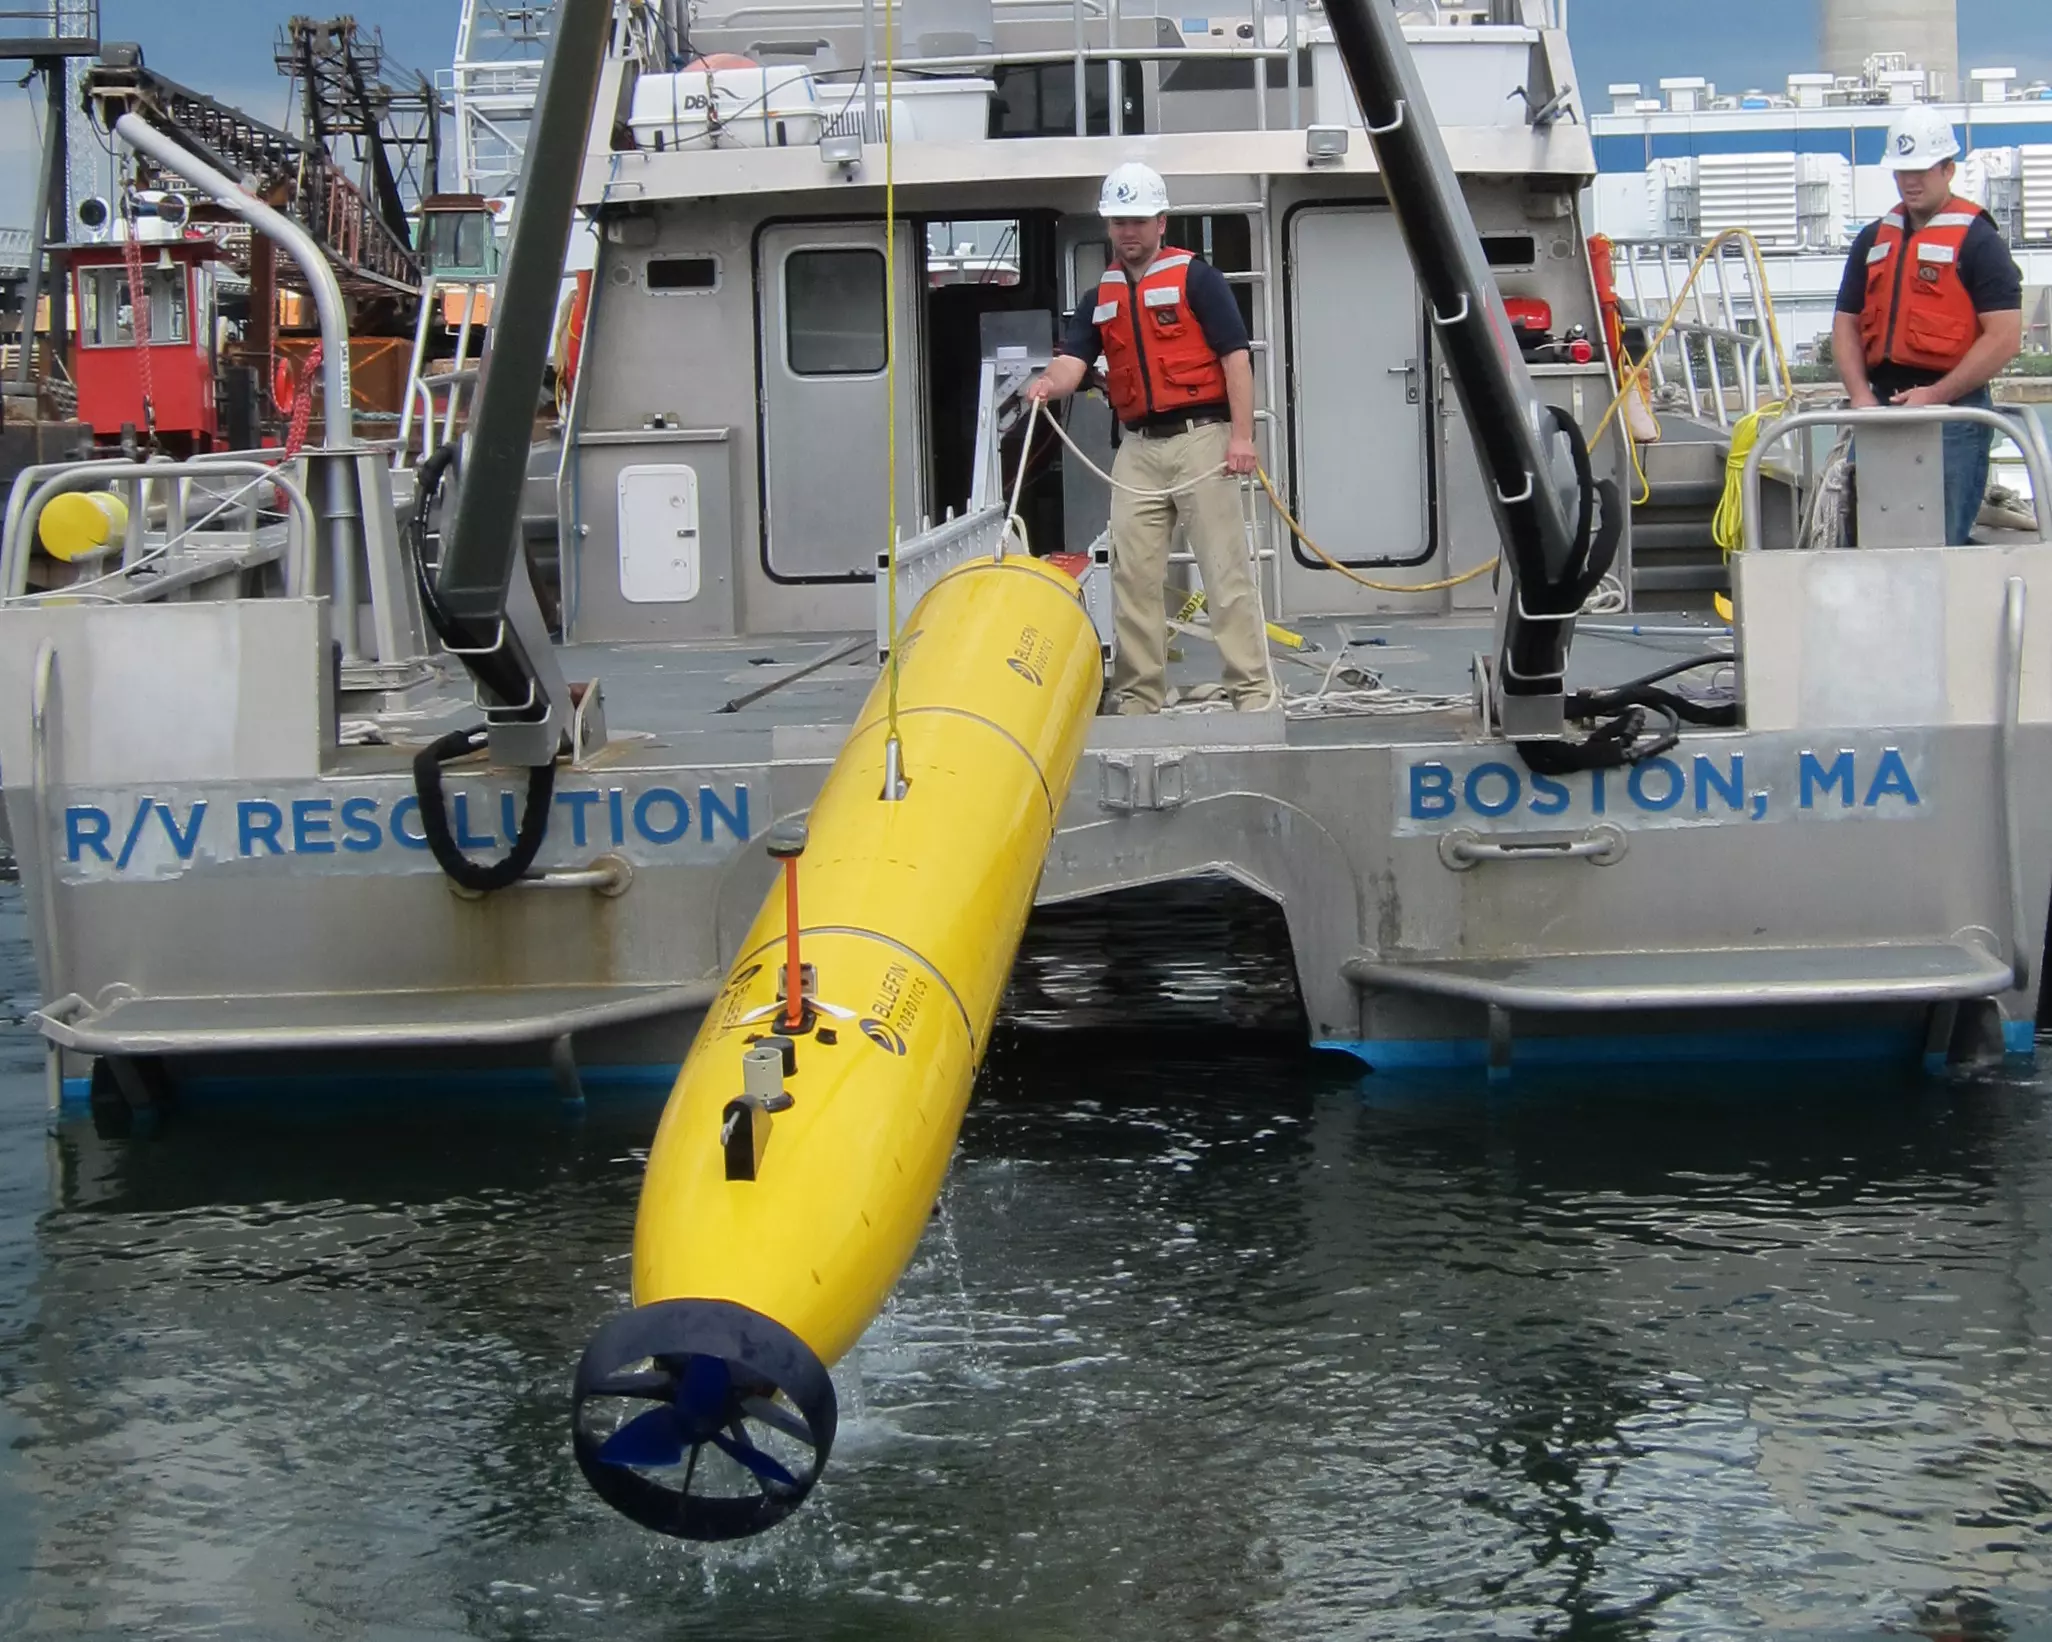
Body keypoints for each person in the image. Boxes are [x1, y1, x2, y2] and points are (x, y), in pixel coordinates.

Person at [1027, 162, 1269, 713]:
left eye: (1137, 220)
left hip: (1201, 439)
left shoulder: (1198, 280)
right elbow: (1074, 360)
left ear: (1162, 222)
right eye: (1118, 221)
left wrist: (1241, 438)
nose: (1127, 232)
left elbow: (1235, 357)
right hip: (1137, 447)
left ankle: (1253, 694)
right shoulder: (1098, 297)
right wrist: (1047, 383)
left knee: (1224, 571)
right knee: (1132, 575)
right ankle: (1139, 697)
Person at [1833, 104, 2024, 547]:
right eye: (1901, 171)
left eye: (1921, 169)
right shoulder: (1872, 239)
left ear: (1948, 169)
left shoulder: (1980, 242)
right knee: (1862, 540)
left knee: (1941, 542)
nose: (1910, 181)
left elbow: (2004, 336)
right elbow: (1845, 325)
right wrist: (1861, 398)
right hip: (1879, 411)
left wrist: (1936, 396)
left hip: (1953, 414)